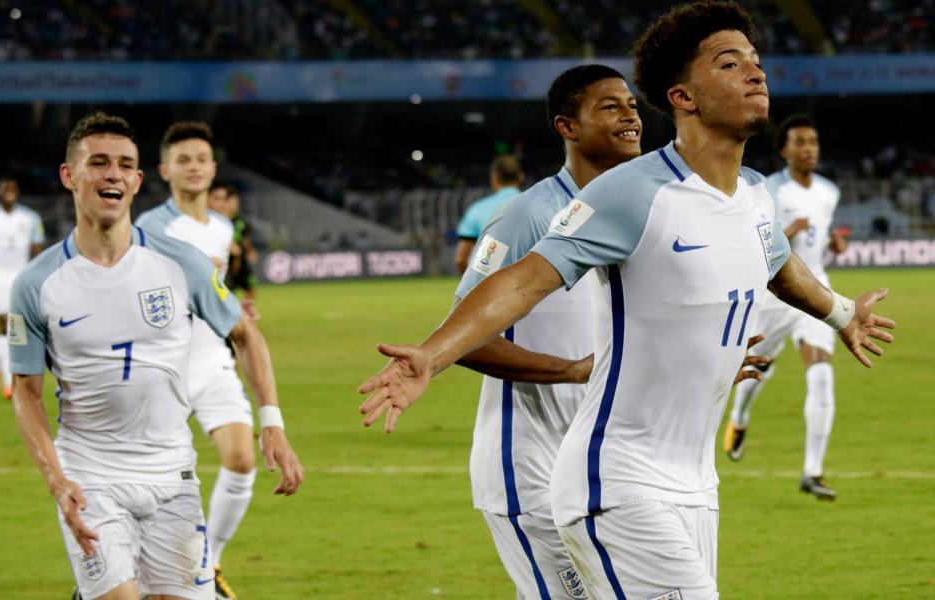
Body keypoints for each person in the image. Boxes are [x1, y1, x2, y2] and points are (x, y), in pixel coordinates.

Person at [358, 3, 894, 599]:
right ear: (684, 98)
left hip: (695, 485)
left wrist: (841, 313)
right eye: (730, 63)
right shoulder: (631, 191)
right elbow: (525, 280)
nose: (755, 74)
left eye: (756, 62)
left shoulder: (754, 193)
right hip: (616, 483)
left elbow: (778, 266)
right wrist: (431, 356)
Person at [10, 112, 303, 600]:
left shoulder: (180, 263)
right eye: (98, 163)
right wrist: (57, 481)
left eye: (125, 165)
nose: (113, 174)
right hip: (92, 477)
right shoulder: (37, 283)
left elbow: (246, 335)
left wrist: (272, 422)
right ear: (69, 176)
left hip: (174, 478)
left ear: (138, 179)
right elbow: (25, 392)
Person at [454, 64, 641, 599]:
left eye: (630, 103)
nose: (630, 114)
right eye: (610, 105)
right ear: (567, 127)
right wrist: (572, 370)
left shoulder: (637, 212)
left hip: (596, 467)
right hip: (528, 468)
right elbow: (462, 334)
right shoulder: (531, 215)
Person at [135, 122, 258, 600]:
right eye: (183, 160)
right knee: (152, 481)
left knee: (241, 459)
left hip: (212, 360)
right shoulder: (149, 228)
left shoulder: (222, 226)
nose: (193, 167)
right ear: (165, 170)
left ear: (212, 168)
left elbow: (216, 295)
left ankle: (211, 560)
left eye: (202, 159)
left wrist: (233, 310)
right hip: (162, 366)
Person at [724, 114, 849, 500]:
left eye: (813, 141)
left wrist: (834, 248)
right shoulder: (768, 190)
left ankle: (813, 471)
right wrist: (783, 236)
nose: (809, 149)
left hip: (816, 289)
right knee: (757, 366)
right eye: (800, 142)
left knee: (821, 373)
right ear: (784, 151)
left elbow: (820, 244)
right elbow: (750, 241)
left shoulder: (829, 191)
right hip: (775, 292)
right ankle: (739, 417)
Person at [0, 176, 45, 398]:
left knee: (12, 327)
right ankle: (9, 383)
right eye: (4, 188)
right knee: (6, 325)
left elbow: (37, 249)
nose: (9, 191)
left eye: (12, 188)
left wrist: (39, 276)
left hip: (20, 276)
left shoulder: (30, 218)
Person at [454, 155, 524, 273]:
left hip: (491, 283)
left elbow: (461, 259)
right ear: (521, 177)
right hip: (528, 283)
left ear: (494, 178)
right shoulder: (540, 206)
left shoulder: (477, 209)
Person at [208, 182, 258, 301]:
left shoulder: (233, 222)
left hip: (235, 265)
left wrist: (249, 250)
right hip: (216, 270)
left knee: (249, 291)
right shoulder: (203, 222)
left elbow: (244, 239)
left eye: (225, 199)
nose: (222, 203)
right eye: (217, 198)